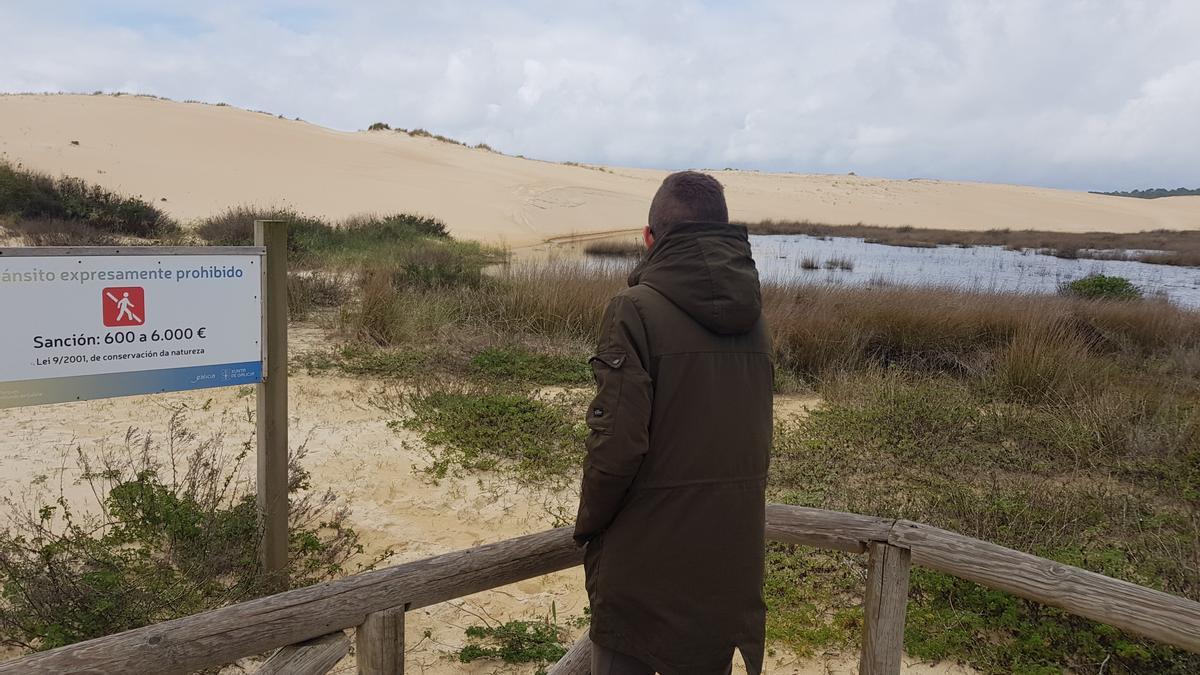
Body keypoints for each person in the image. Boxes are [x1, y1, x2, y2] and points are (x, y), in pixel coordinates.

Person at [574, 171, 773, 674]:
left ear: (649, 237)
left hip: (642, 572)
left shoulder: (633, 309)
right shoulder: (756, 318)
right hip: (727, 569)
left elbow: (616, 447)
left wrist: (589, 526)